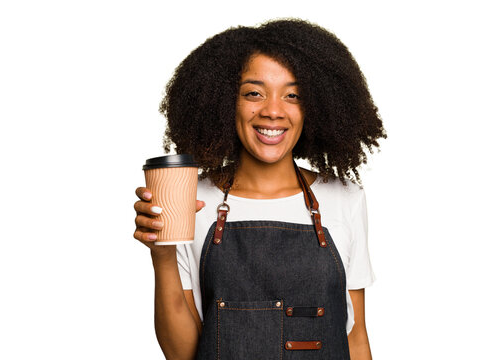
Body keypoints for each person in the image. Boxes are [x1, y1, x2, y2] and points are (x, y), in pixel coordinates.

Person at [134, 19, 386, 360]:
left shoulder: (344, 199)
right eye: (254, 93)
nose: (272, 110)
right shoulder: (191, 200)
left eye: (292, 95)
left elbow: (355, 341)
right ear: (226, 101)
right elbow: (182, 354)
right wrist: (161, 253)